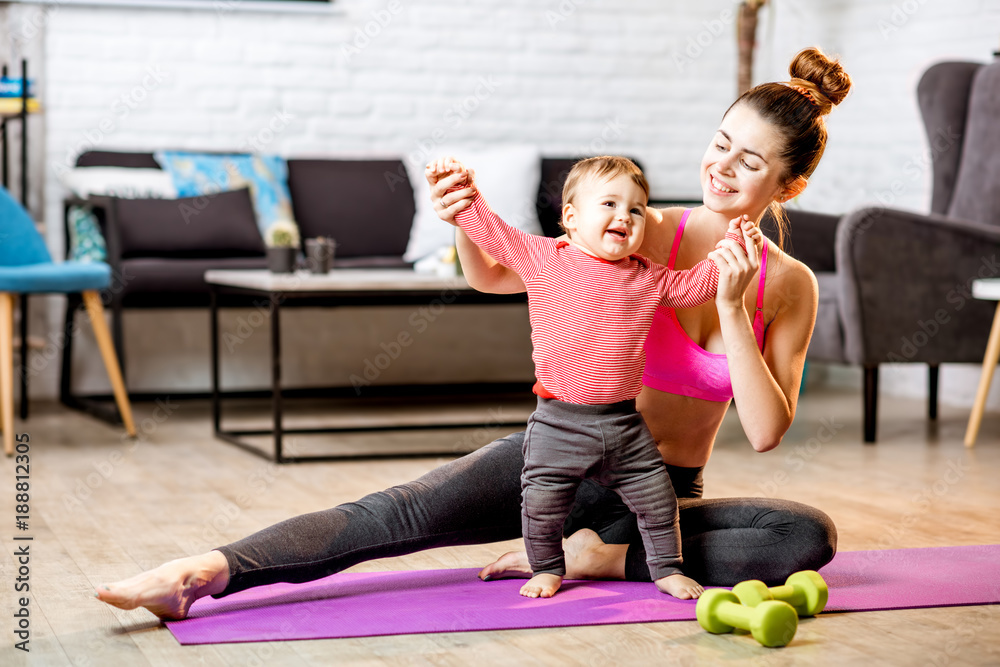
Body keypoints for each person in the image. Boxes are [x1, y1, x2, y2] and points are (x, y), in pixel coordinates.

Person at [95, 46, 849, 621]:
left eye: (748, 161)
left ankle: (600, 554)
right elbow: (498, 275)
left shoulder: (789, 286)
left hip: (651, 493)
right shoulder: (640, 225)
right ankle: (201, 571)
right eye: (720, 142)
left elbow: (766, 429)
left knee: (803, 537)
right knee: (397, 513)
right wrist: (463, 217)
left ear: (789, 185)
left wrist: (727, 304)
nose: (721, 167)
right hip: (557, 450)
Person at [429, 155, 757, 599]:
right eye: (609, 203)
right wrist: (461, 190)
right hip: (558, 422)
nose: (625, 215)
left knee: (659, 503)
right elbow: (494, 232)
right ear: (570, 217)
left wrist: (732, 247)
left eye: (636, 209)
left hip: (624, 425)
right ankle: (546, 569)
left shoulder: (647, 276)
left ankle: (665, 569)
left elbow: (694, 287)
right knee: (542, 505)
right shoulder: (546, 257)